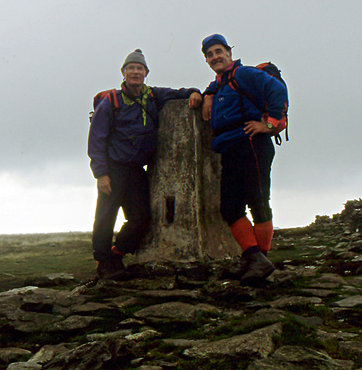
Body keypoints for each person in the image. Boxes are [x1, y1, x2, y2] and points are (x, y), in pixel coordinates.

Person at [88, 49, 202, 280]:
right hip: (113, 167)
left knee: (141, 218)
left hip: (137, 170)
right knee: (105, 217)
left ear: (146, 73)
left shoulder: (152, 96)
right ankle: (103, 262)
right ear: (123, 72)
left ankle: (116, 253)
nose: (135, 72)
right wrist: (101, 174)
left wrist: (195, 92)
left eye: (139, 68)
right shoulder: (111, 101)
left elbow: (177, 93)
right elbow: (96, 138)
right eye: (131, 68)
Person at [200, 34, 289, 286]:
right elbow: (215, 87)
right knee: (229, 207)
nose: (215, 57)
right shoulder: (221, 82)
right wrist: (207, 94)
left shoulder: (244, 74)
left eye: (219, 51)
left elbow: (277, 90)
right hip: (230, 148)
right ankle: (255, 258)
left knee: (258, 201)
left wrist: (269, 123)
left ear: (229, 53)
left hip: (252, 144)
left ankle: (259, 261)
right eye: (210, 54)